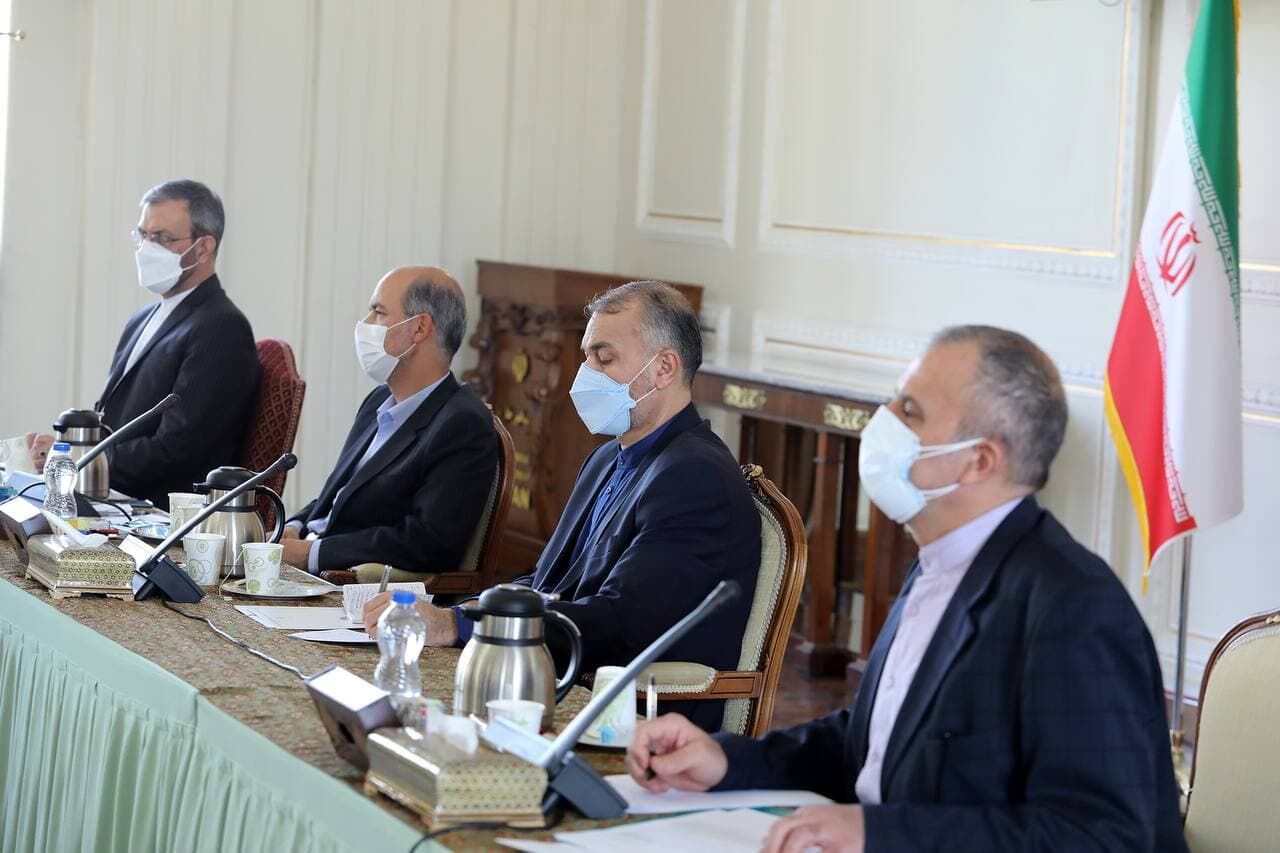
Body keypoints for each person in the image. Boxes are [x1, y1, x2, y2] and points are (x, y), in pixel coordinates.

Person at [626, 325, 1187, 852]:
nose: (883, 420)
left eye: (910, 411)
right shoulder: (943, 563)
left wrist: (878, 833)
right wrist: (729, 762)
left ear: (979, 461)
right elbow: (877, 743)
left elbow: (1101, 835)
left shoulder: (1075, 606)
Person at [365, 281, 760, 731]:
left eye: (604, 359)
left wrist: (460, 625)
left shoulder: (695, 477)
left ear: (664, 368)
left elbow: (621, 622)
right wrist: (460, 612)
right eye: (586, 356)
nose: (585, 373)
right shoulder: (607, 458)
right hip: (559, 682)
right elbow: (545, 582)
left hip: (633, 719)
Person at [28, 179, 259, 509]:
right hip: (112, 498)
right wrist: (61, 451)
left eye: (162, 238)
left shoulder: (222, 327)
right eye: (143, 235)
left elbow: (177, 450)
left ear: (204, 248)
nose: (147, 248)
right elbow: (111, 423)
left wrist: (79, 463)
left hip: (161, 512)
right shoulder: (142, 317)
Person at [282, 266, 498, 576]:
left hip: (354, 586)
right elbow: (343, 495)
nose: (365, 324)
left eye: (378, 312)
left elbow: (428, 542)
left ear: (419, 328)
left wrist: (313, 554)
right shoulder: (378, 400)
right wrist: (295, 525)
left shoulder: (462, 424)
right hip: (312, 566)